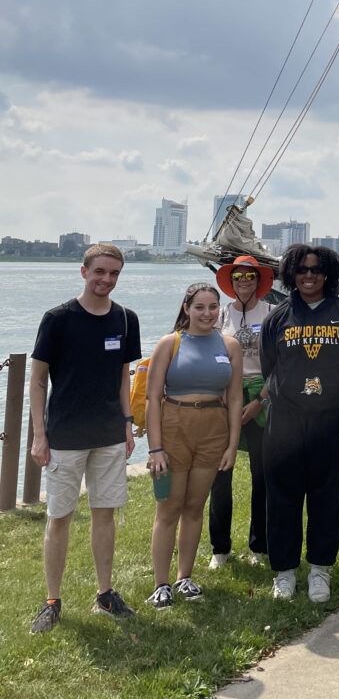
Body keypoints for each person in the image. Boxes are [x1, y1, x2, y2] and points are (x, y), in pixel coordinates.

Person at [28, 244, 141, 633]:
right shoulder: (57, 319)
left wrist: (127, 422)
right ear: (83, 272)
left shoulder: (126, 319)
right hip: (64, 436)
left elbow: (124, 377)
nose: (106, 280)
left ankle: (105, 595)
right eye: (100, 272)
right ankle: (52, 601)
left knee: (104, 514)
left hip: (109, 434)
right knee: (59, 517)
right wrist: (39, 436)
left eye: (114, 274)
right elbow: (38, 379)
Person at [260, 245, 339, 602]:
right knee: (282, 496)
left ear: (328, 274)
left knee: (326, 494)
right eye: (302, 270)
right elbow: (269, 366)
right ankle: (284, 571)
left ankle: (321, 568)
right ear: (291, 273)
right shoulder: (278, 317)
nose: (309, 276)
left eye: (316, 270)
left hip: (331, 419)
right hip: (285, 419)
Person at [145, 283, 243, 609]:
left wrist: (232, 445)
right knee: (169, 508)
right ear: (186, 308)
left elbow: (234, 398)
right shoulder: (169, 344)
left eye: (213, 307)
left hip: (213, 429)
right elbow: (152, 398)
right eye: (199, 307)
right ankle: (161, 584)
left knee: (194, 507)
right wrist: (155, 448)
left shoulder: (229, 345)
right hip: (174, 426)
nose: (207, 314)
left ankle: (184, 576)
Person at [208, 256, 275, 569]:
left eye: (250, 276)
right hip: (226, 396)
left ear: (258, 280)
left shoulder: (272, 314)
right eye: (238, 277)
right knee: (220, 476)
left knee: (262, 475)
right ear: (231, 282)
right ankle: (219, 548)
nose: (244, 281)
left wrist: (260, 400)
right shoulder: (221, 315)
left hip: (261, 397)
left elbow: (280, 364)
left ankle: (259, 545)